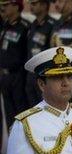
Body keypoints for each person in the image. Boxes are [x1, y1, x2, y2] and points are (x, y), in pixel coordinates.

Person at [0, 0, 29, 142]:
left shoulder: (24, 27)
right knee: (9, 114)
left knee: (21, 115)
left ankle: (23, 149)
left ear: (16, 6)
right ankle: (12, 148)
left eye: (6, 5)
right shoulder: (4, 26)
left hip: (18, 76)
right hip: (4, 76)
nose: (3, 8)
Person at [50, 0, 72, 103]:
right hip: (57, 75)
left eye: (60, 1)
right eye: (55, 2)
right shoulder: (57, 23)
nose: (56, 4)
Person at [25, 0, 55, 106]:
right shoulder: (32, 25)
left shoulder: (52, 25)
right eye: (30, 4)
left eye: (34, 3)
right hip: (31, 76)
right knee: (32, 110)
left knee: (46, 108)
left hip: (43, 74)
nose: (31, 6)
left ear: (44, 5)